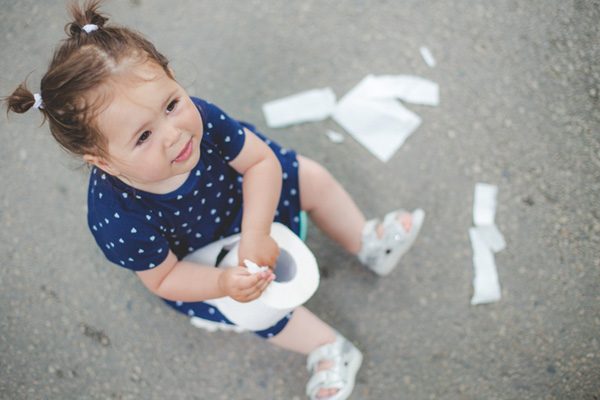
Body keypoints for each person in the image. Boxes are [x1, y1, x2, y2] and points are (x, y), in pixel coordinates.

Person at [4, 1, 425, 399]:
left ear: (172, 76)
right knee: (256, 307)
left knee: (311, 177)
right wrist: (224, 283)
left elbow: (260, 162)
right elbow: (165, 279)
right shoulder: (117, 218)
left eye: (171, 104)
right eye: (143, 136)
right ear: (104, 162)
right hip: (206, 258)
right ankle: (328, 347)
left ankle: (367, 241)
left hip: (253, 200)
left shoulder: (199, 116)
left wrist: (256, 231)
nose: (174, 134)